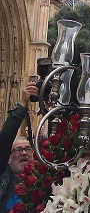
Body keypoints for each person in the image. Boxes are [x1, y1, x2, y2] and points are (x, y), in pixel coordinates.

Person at [0, 82, 39, 213]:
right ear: (8, 158)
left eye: (28, 149)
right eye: (17, 150)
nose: (24, 153)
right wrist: (22, 103)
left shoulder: (42, 182)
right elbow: (5, 139)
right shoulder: (4, 179)